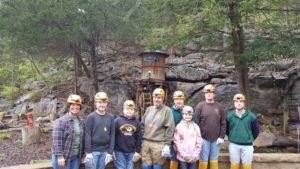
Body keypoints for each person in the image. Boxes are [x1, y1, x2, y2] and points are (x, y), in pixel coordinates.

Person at [141, 88, 175, 169]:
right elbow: (142, 125)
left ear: (163, 98)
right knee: (145, 166)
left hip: (159, 144)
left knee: (157, 166)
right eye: (155, 97)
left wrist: (167, 145)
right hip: (146, 142)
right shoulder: (149, 109)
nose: (156, 99)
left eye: (159, 97)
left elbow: (170, 128)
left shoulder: (167, 111)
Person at [195, 84, 226, 169]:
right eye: (207, 92)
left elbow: (223, 123)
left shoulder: (219, 107)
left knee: (214, 160)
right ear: (204, 94)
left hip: (216, 140)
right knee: (203, 160)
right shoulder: (200, 106)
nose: (209, 94)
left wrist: (221, 137)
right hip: (203, 139)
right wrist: (198, 138)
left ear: (214, 94)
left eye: (211, 92)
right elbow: (195, 123)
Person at [226, 94, 260, 169]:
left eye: (241, 101)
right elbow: (227, 129)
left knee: (247, 166)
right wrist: (233, 136)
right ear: (234, 103)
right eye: (236, 101)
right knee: (234, 165)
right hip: (234, 145)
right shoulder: (230, 116)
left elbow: (256, 131)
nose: (239, 103)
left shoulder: (251, 116)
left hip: (247, 146)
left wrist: (249, 138)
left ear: (244, 103)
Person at [51, 94, 85, 169]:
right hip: (63, 157)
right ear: (69, 106)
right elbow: (57, 140)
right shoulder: (61, 121)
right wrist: (60, 157)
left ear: (80, 106)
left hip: (76, 157)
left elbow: (82, 140)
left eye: (77, 105)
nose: (75, 107)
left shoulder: (82, 121)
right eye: (72, 104)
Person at [84, 92, 115, 169]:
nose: (102, 105)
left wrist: (110, 151)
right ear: (95, 103)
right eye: (100, 102)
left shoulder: (110, 117)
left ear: (107, 103)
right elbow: (87, 134)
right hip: (93, 151)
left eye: (104, 102)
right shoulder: (91, 117)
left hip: (105, 151)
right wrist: (88, 152)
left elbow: (112, 134)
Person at [170, 91, 198, 169]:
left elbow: (196, 129)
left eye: (181, 99)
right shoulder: (170, 112)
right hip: (174, 142)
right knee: (174, 159)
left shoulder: (189, 111)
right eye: (176, 99)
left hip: (190, 145)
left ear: (183, 100)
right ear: (174, 100)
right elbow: (167, 128)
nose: (179, 101)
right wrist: (172, 143)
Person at [114, 100, 143, 169]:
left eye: (131, 109)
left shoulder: (137, 123)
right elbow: (113, 136)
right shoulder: (117, 121)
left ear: (134, 111)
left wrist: (138, 151)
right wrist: (112, 150)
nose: (129, 111)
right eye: (127, 109)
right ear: (123, 109)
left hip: (131, 152)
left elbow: (139, 138)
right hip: (119, 152)